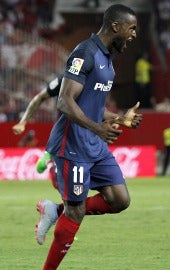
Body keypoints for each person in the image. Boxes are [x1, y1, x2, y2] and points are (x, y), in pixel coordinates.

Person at [36, 4, 141, 269]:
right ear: (116, 26)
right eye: (132, 28)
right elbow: (64, 101)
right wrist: (97, 128)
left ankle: (54, 211)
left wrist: (118, 119)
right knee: (77, 211)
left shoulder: (107, 57)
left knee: (120, 200)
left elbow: (93, 106)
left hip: (94, 144)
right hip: (73, 146)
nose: (134, 34)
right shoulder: (85, 52)